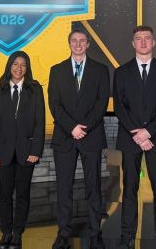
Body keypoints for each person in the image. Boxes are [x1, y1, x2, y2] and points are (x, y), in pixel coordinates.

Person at [113, 26, 156, 249]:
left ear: (154, 42)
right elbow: (120, 107)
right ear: (133, 43)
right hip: (130, 139)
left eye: (147, 38)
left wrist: (148, 132)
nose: (142, 42)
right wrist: (138, 134)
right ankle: (127, 234)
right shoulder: (121, 72)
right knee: (129, 188)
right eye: (138, 39)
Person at [48, 28, 110, 249]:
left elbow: (101, 103)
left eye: (82, 41)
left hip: (91, 136)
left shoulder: (101, 70)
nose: (78, 44)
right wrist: (72, 127)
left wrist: (83, 127)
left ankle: (95, 231)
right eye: (74, 41)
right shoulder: (56, 71)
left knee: (93, 187)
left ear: (88, 44)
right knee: (64, 187)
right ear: (69, 44)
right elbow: (54, 104)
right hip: (65, 137)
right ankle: (63, 232)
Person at [0, 51, 45, 249]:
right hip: (3, 152)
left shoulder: (35, 90)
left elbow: (40, 122)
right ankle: (6, 232)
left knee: (22, 194)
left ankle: (18, 233)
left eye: (23, 65)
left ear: (27, 68)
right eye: (15, 64)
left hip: (27, 151)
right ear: (9, 66)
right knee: (4, 194)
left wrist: (36, 149)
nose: (19, 68)